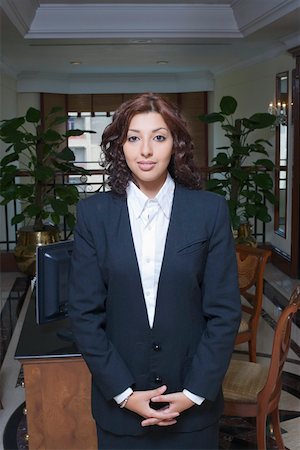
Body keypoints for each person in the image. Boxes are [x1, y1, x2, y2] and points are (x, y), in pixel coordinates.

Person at [68, 93, 241, 450]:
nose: (145, 150)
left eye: (159, 137)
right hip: (120, 409)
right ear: (121, 146)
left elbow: (224, 313)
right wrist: (124, 393)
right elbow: (84, 315)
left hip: (191, 406)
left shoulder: (210, 211)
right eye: (134, 137)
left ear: (175, 144)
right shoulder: (93, 215)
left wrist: (194, 393)